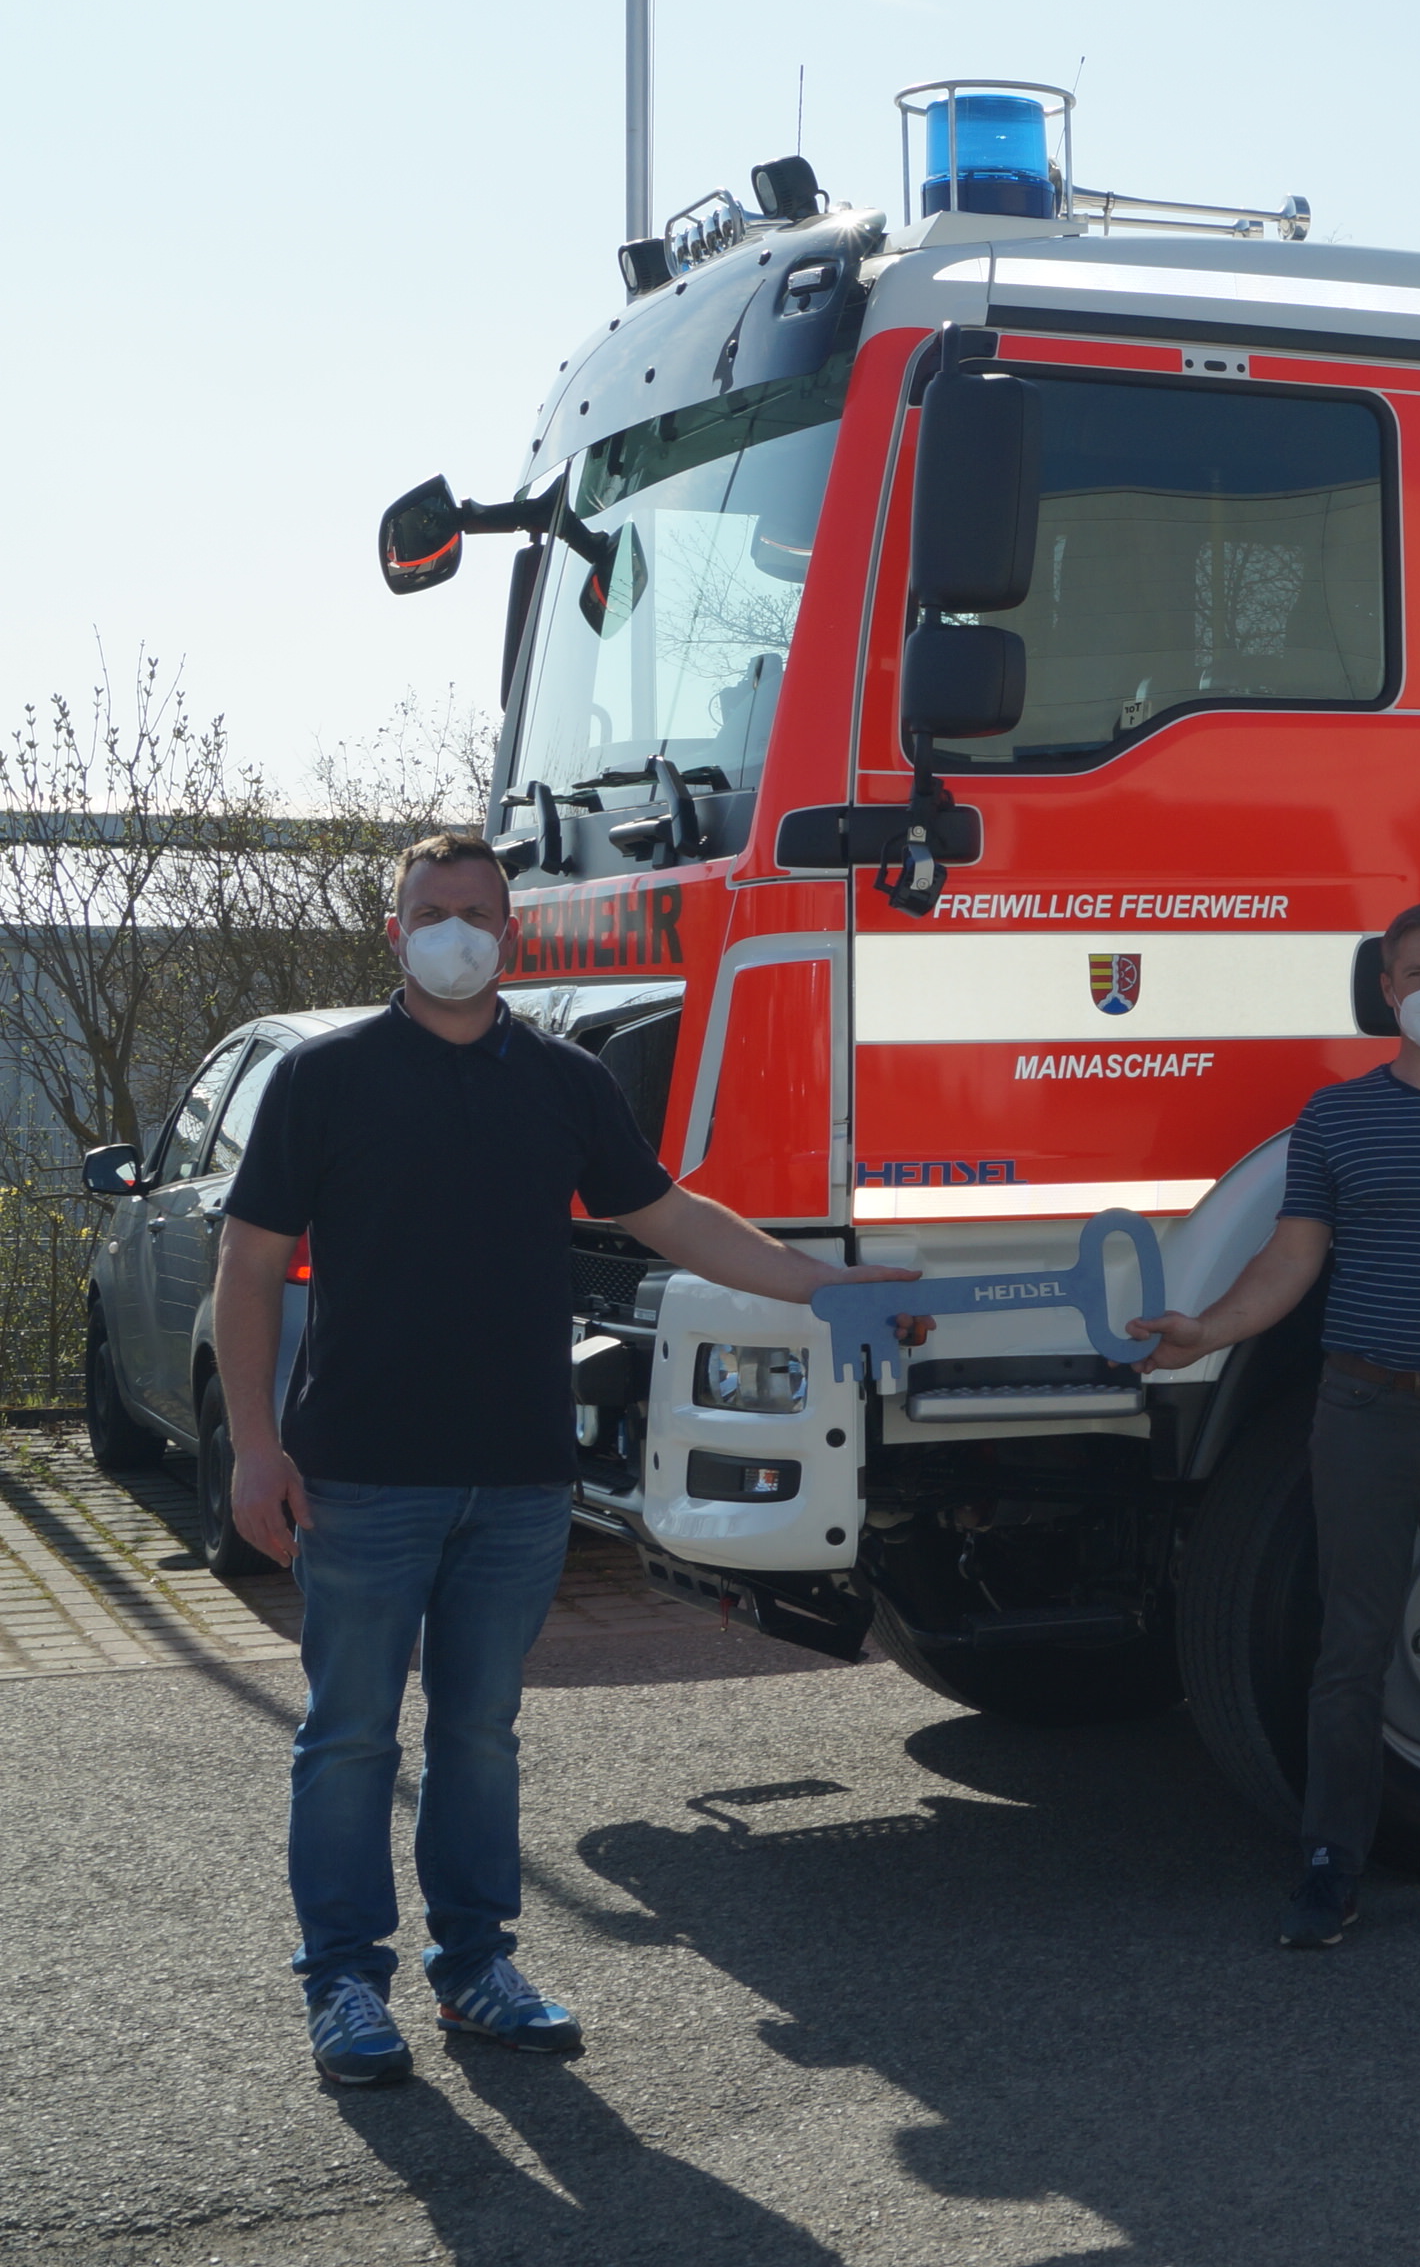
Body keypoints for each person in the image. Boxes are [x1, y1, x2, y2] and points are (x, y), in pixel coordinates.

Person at [215, 832, 925, 2089]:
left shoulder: (566, 1080)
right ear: (394, 931)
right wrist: (256, 1447)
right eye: (429, 910)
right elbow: (249, 1267)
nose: (454, 930)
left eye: (475, 911)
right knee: (349, 1738)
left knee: (481, 1732)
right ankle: (343, 1982)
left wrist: (829, 1286)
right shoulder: (324, 1079)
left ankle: (477, 1964)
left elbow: (671, 1215)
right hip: (361, 1476)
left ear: (509, 931)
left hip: (519, 1476)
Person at [1126, 903, 1420, 1949]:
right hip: (1363, 1410)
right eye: (1417, 969)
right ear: (1385, 990)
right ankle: (1328, 1864)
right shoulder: (1335, 1119)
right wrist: (1201, 1330)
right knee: (1349, 1646)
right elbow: (1290, 1261)